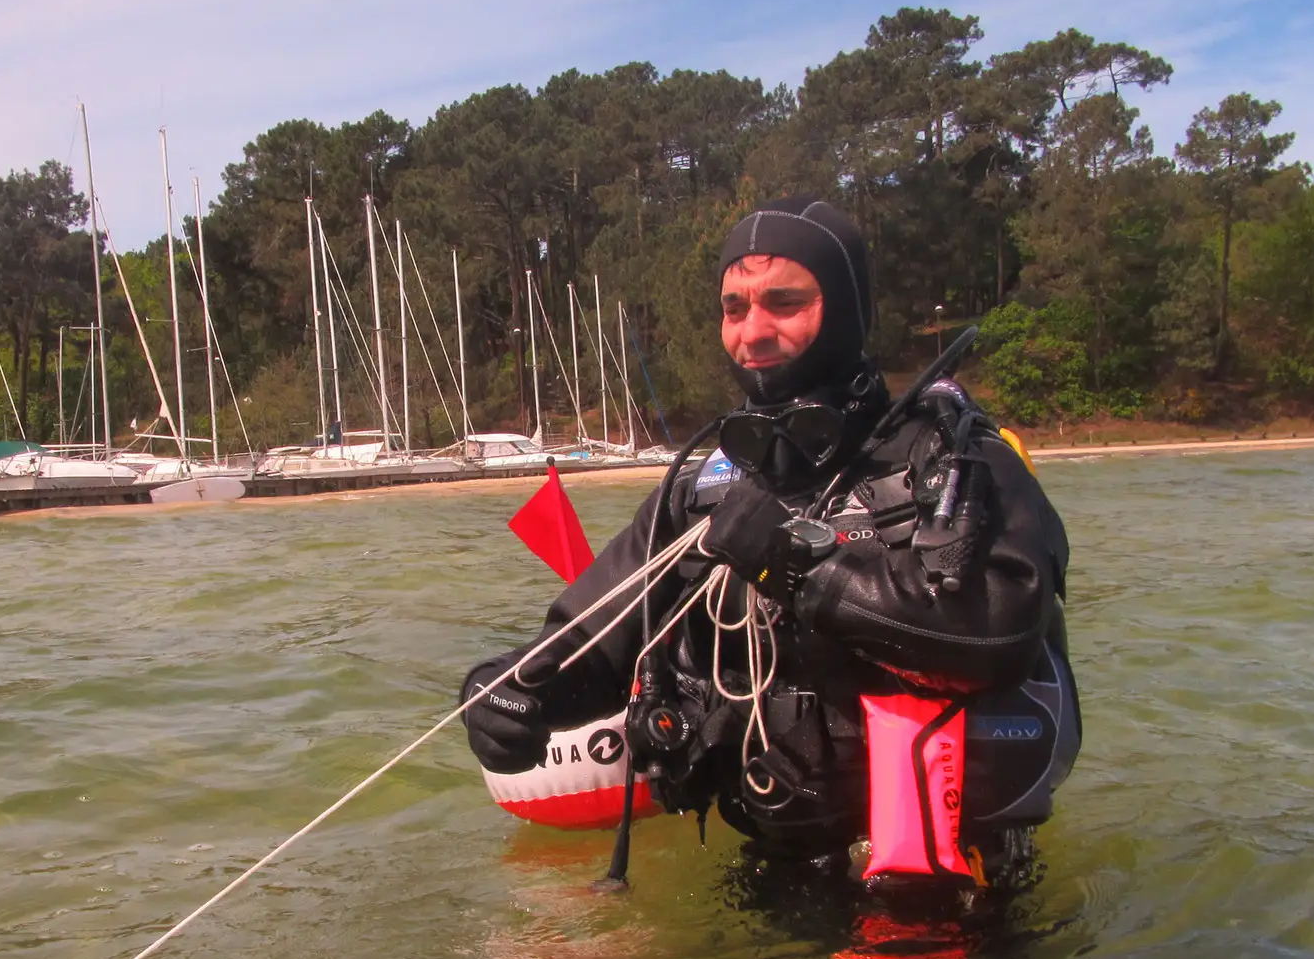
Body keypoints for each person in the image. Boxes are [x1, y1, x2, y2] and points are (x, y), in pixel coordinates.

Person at [462, 197, 1079, 885]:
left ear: (845, 310)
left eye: (784, 303)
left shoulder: (952, 462)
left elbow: (1000, 637)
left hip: (954, 894)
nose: (752, 333)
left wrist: (797, 566)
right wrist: (510, 690)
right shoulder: (703, 491)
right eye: (735, 308)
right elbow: (594, 643)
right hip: (775, 876)